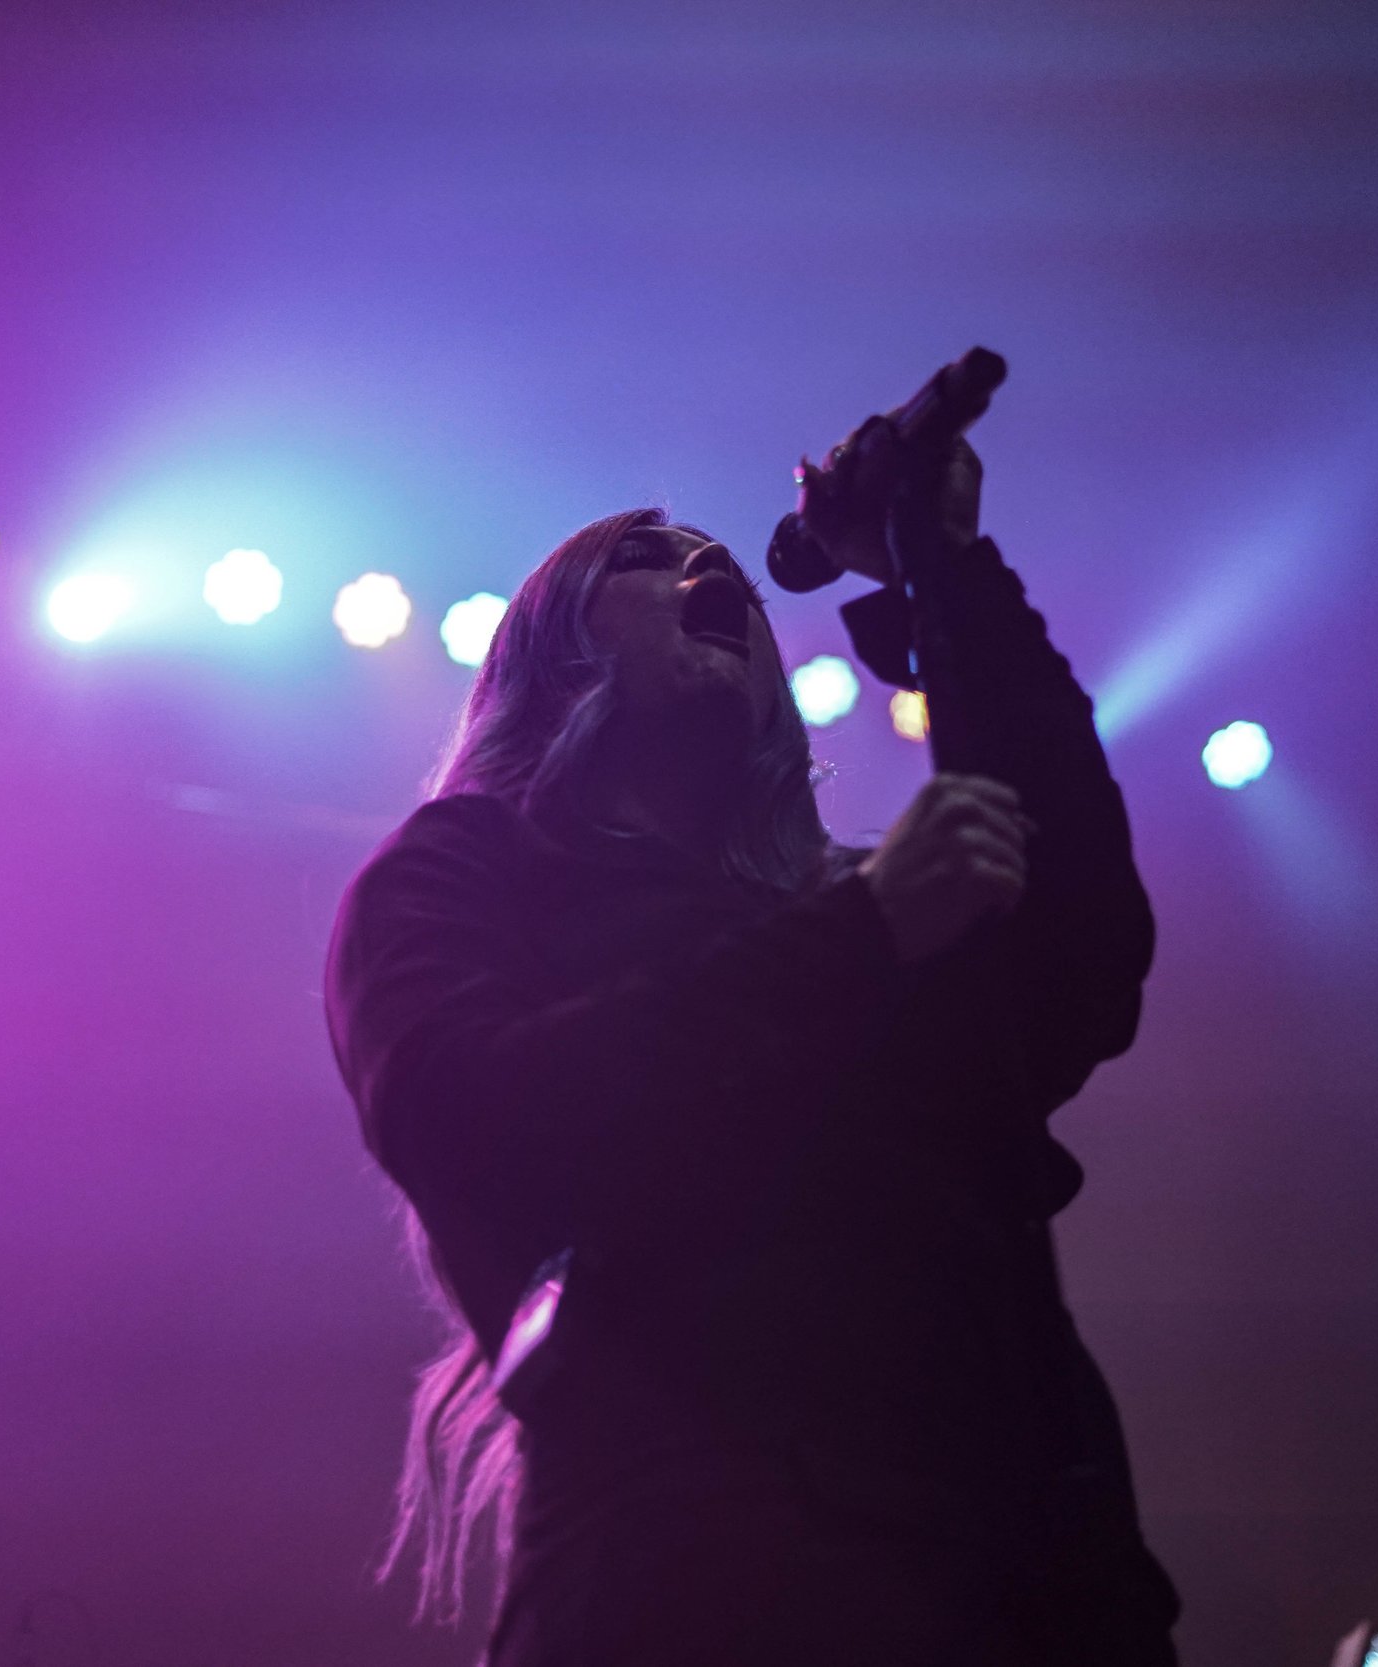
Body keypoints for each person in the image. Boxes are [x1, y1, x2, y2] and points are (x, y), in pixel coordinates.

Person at [323, 424, 1178, 1665]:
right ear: (550, 646)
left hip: (1031, 1581)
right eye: (648, 561)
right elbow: (465, 1113)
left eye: (721, 561)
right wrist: (857, 937)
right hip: (701, 1580)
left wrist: (936, 568)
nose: (708, 576)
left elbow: (1081, 947)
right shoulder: (463, 872)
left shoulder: (863, 899)